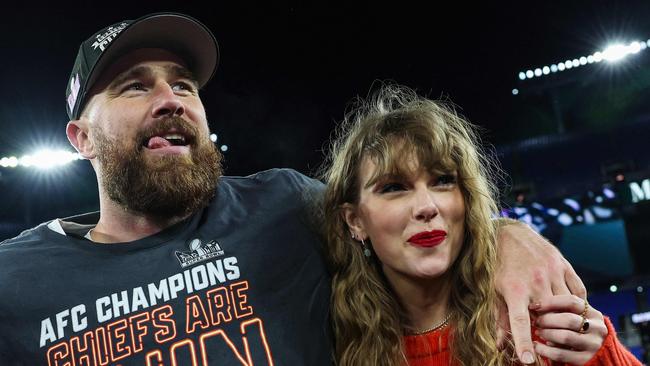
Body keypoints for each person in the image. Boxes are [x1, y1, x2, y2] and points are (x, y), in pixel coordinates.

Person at [0, 12, 586, 365]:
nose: (170, 98)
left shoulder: (286, 205)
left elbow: (402, 212)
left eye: (184, 84)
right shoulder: (15, 281)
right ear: (80, 138)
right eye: (133, 87)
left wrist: (509, 235)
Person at [321, 84, 641, 365]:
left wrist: (603, 357)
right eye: (393, 187)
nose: (427, 207)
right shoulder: (330, 343)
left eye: (443, 181)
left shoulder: (532, 323)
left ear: (467, 199)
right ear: (355, 220)